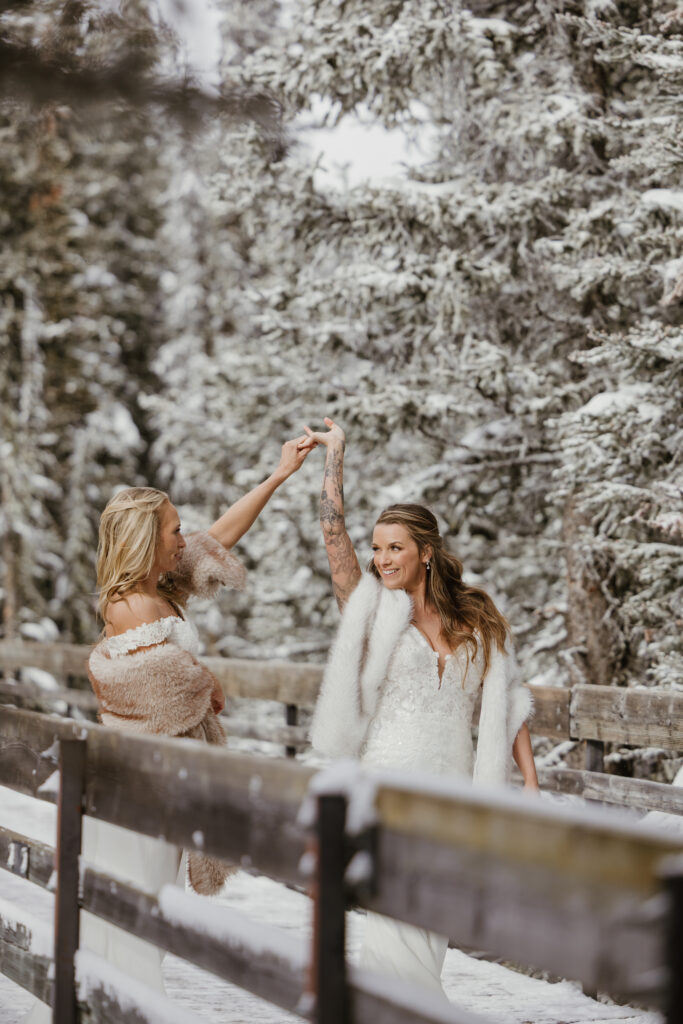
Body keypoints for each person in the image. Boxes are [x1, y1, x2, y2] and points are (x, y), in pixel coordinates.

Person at [22, 435, 314, 1023]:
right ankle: (122, 1009)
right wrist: (204, 682)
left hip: (165, 775)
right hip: (137, 780)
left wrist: (279, 475)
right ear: (146, 539)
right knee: (133, 908)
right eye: (175, 530)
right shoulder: (131, 604)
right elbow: (150, 687)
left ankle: (124, 1007)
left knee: (152, 902)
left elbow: (221, 536)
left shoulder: (159, 588)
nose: (184, 539)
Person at [305, 417, 538, 996]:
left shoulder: (475, 617)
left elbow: (507, 702)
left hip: (453, 791)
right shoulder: (371, 610)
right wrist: (335, 455)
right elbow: (334, 536)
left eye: (395, 548)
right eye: (377, 548)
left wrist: (530, 785)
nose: (382, 559)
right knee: (393, 924)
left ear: (426, 552)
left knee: (428, 927)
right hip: (388, 789)